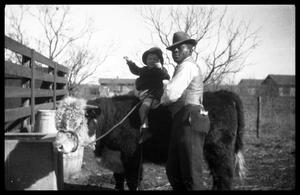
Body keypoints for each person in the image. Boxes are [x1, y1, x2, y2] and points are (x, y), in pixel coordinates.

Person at [160, 31, 210, 190]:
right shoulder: (182, 67)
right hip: (182, 120)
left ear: (190, 50)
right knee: (174, 169)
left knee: (191, 172)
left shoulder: (187, 66)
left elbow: (170, 94)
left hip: (190, 119)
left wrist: (161, 100)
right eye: (173, 49)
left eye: (179, 48)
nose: (175, 51)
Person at [125, 47, 170, 144]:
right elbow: (135, 70)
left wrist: (160, 68)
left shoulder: (160, 70)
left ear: (159, 61)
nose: (152, 61)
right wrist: (129, 62)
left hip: (151, 95)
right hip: (140, 93)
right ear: (146, 60)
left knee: (143, 109)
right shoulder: (144, 70)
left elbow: (166, 76)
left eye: (155, 59)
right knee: (127, 99)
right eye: (150, 59)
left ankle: (145, 129)